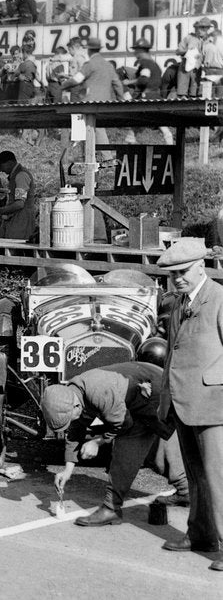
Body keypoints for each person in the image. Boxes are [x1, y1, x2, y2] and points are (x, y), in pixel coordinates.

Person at [156, 238, 223, 568]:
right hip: (184, 402)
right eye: (172, 274)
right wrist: (165, 400)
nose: (178, 278)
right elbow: (172, 355)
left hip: (214, 404)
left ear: (201, 267)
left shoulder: (221, 299)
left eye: (183, 271)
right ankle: (201, 533)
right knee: (196, 475)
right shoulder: (179, 304)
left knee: (219, 476)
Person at [42, 361, 171, 526]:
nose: (71, 422)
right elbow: (75, 431)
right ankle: (184, 491)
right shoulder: (72, 394)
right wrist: (67, 470)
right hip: (135, 393)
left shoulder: (97, 391)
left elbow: (123, 423)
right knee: (170, 444)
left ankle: (111, 508)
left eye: (70, 419)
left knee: (134, 445)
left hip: (155, 387)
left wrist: (98, 441)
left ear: (75, 406)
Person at [0, 151, 36, 241]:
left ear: (10, 163)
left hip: (21, 221)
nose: (0, 170)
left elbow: (19, 204)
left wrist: (1, 211)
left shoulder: (21, 175)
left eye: (1, 166)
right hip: (16, 219)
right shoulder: (15, 175)